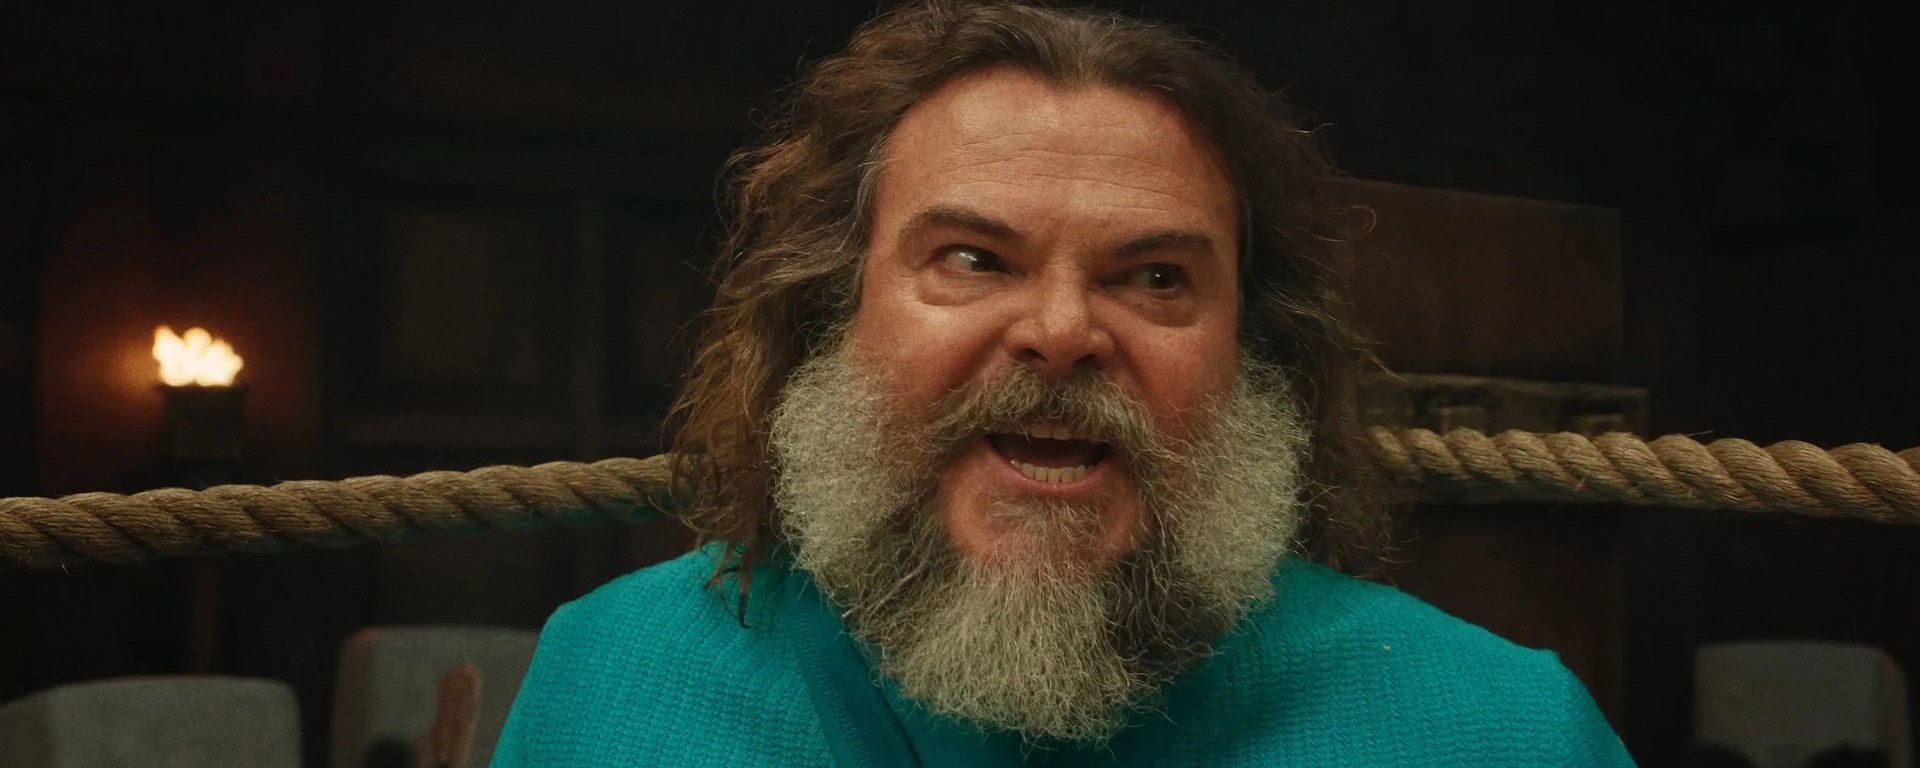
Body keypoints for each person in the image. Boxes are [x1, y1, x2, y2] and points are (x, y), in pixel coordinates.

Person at [491, 1, 1634, 765]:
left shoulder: (1502, 732)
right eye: (973, 259)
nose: (1061, 332)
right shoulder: (611, 680)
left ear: (1256, 353)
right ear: (832, 311)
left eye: (1155, 277)